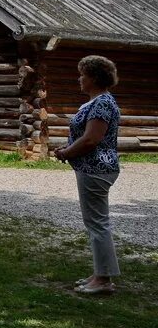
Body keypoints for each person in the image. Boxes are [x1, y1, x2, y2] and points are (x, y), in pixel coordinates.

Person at [53, 55, 122, 295]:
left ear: (93, 78)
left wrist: (66, 152)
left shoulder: (102, 104)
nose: (79, 79)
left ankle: (103, 280)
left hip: (97, 169)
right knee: (96, 222)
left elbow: (92, 139)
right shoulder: (98, 102)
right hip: (93, 168)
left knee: (97, 223)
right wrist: (68, 151)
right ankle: (99, 274)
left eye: (83, 74)